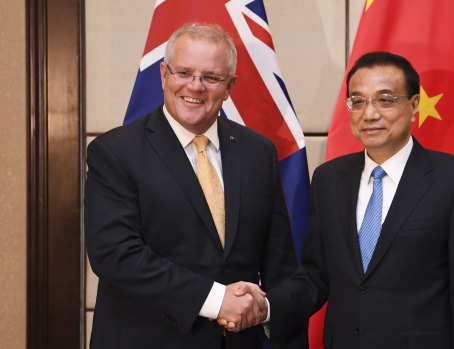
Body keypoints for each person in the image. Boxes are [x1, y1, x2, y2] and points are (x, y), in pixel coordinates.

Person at [255, 51, 454, 348]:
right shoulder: (329, 179)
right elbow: (317, 276)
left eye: (385, 99)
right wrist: (266, 307)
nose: (370, 114)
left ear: (414, 105)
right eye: (358, 101)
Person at [84, 23, 301, 349]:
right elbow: (116, 255)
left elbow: (279, 262)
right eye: (183, 72)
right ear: (163, 74)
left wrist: (270, 314)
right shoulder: (115, 152)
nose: (195, 86)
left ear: (230, 86)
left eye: (211, 77)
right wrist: (217, 300)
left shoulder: (259, 151)